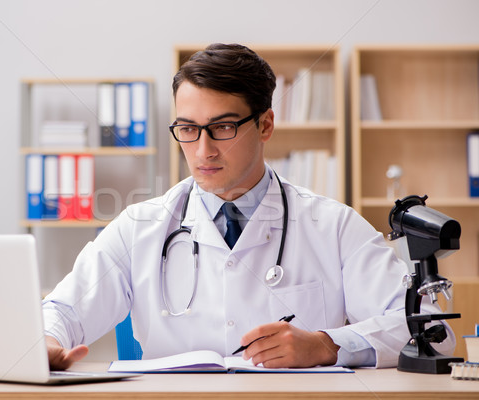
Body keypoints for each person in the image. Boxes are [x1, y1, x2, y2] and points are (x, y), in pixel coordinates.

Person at [43, 43, 455, 370]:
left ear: (265, 125)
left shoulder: (333, 225)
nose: (202, 150)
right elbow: (62, 310)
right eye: (187, 129)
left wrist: (329, 345)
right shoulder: (139, 227)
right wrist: (47, 342)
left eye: (222, 127)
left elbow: (432, 329)